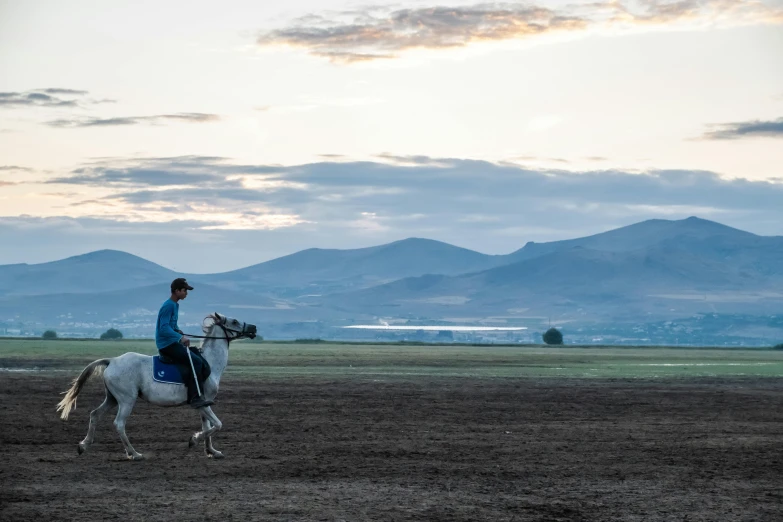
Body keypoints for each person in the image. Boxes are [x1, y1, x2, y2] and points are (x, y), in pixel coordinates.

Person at [155, 277, 213, 409]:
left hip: (172, 341)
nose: (186, 293)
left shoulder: (175, 305)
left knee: (197, 355)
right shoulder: (168, 306)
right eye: (184, 290)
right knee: (196, 362)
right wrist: (180, 338)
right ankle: (194, 397)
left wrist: (178, 331)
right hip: (166, 345)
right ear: (176, 291)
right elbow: (163, 328)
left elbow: (171, 325)